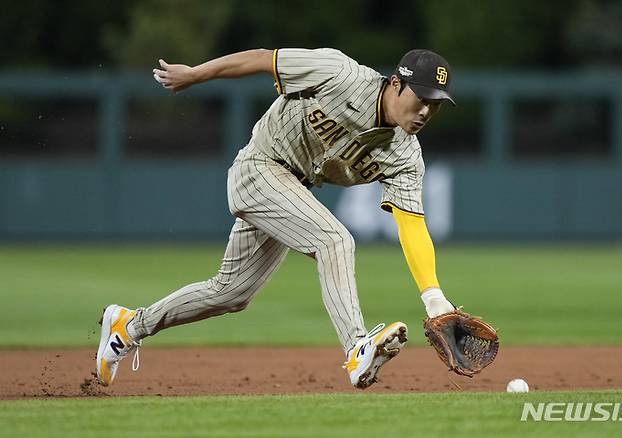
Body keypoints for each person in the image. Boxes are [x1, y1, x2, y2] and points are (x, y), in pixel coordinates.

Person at [96, 47, 457, 389]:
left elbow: (412, 224)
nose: (426, 110)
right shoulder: (340, 73)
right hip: (259, 167)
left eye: (436, 104)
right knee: (334, 240)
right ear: (396, 83)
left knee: (231, 293)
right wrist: (195, 75)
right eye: (421, 98)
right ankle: (356, 349)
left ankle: (129, 326)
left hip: (291, 190)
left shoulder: (406, 156)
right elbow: (263, 60)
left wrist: (433, 296)